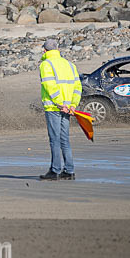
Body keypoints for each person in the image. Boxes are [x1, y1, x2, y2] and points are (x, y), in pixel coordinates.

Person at [39, 39, 82, 181]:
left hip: (54, 107)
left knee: (55, 139)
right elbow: (77, 87)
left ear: (45, 50)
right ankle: (69, 171)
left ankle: (55, 170)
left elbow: (50, 86)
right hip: (68, 107)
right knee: (65, 139)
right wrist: (72, 105)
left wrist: (59, 103)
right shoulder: (70, 65)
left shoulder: (46, 64)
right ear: (57, 49)